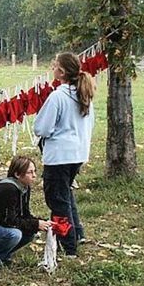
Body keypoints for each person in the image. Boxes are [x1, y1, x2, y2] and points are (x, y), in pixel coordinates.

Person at [34, 52, 95, 257]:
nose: (53, 69)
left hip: (59, 156)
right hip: (77, 154)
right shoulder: (84, 95)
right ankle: (77, 233)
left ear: (61, 71)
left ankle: (68, 245)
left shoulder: (58, 96)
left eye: (54, 66)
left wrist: (50, 133)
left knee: (57, 200)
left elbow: (42, 128)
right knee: (65, 194)